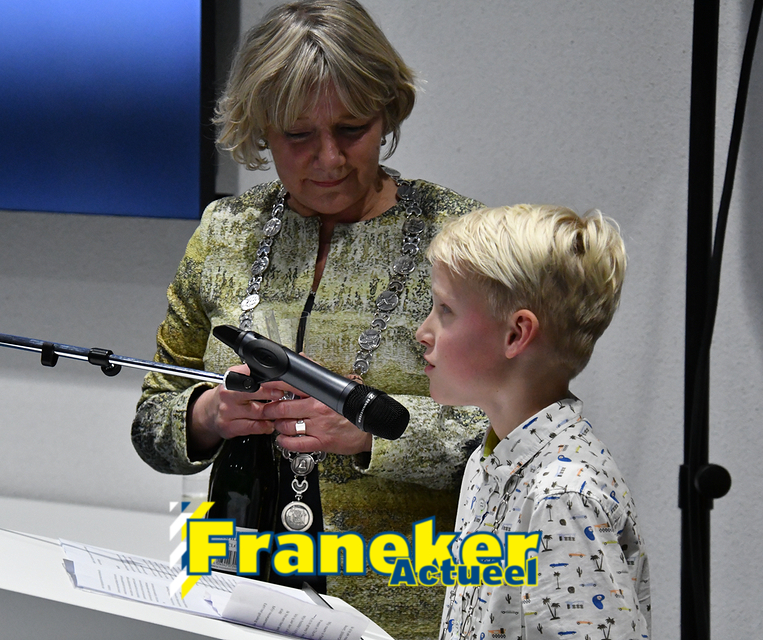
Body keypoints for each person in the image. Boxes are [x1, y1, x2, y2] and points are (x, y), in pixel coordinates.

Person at [130, 2, 487, 638]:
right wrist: (208, 415)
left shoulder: (462, 240)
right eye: (298, 136)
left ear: (387, 113)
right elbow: (151, 422)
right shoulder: (224, 234)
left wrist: (373, 433)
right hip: (233, 598)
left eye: (351, 129)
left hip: (400, 609)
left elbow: (511, 439)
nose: (329, 159)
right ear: (261, 130)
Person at [415, 205, 651, 639]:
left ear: (516, 334)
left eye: (445, 310)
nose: (423, 332)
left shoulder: (561, 496)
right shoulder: (487, 462)